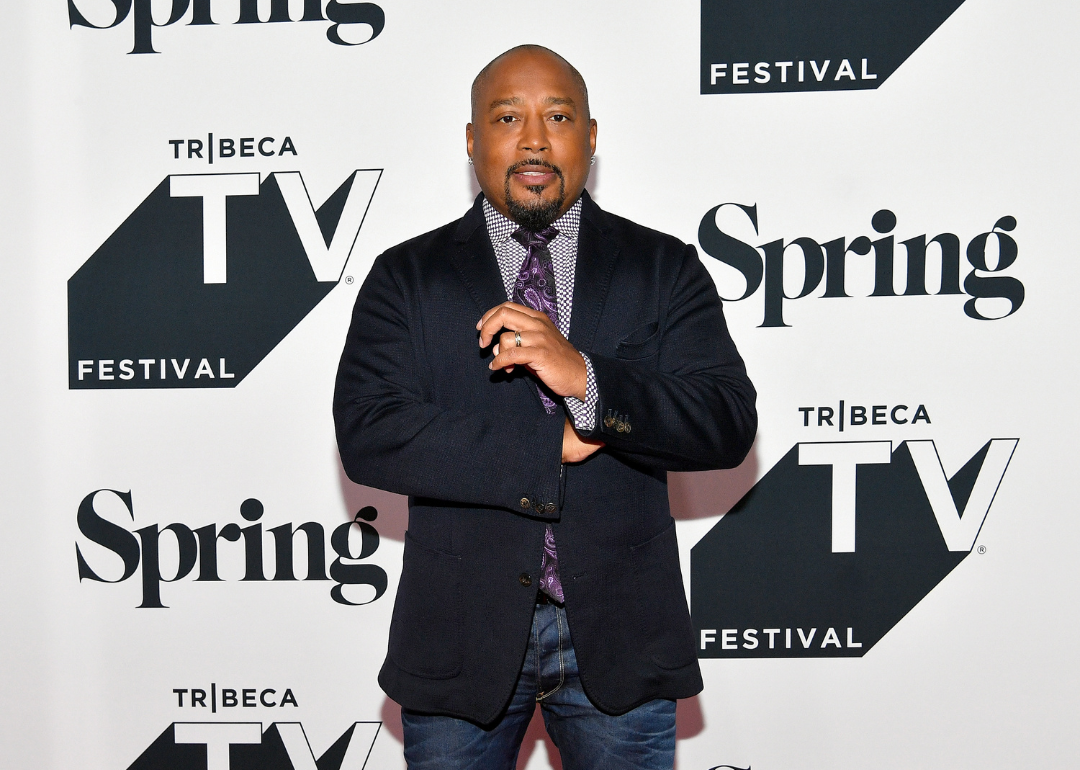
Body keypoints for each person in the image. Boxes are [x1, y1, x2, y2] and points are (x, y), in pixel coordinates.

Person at [334, 44, 757, 770]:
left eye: (558, 116)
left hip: (623, 640)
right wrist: (546, 450)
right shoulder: (406, 276)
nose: (534, 138)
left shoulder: (663, 267)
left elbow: (724, 421)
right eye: (507, 117)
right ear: (472, 140)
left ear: (591, 136)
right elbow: (371, 433)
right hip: (457, 638)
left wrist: (586, 378)